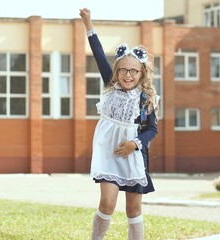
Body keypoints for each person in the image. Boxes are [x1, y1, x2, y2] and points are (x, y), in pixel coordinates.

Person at [79, 8, 159, 240]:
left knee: (133, 209)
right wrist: (88, 24)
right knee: (107, 203)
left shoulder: (146, 98)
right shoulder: (111, 86)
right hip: (109, 151)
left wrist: (134, 144)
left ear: (142, 73)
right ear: (117, 71)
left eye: (133, 71)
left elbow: (152, 129)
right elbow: (99, 55)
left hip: (133, 152)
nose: (128, 75)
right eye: (123, 69)